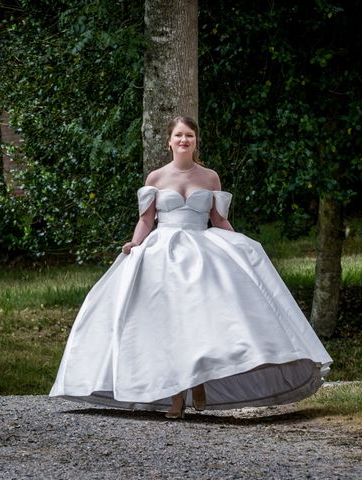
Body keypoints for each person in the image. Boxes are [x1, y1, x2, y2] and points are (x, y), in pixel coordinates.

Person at [50, 116, 332, 419]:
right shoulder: (155, 178)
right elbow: (147, 220)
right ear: (169, 141)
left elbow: (218, 220)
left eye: (189, 136)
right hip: (165, 254)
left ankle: (195, 381)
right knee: (171, 324)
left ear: (196, 141)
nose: (184, 140)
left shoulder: (210, 178)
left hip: (200, 254)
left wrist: (240, 245)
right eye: (179, 136)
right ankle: (177, 396)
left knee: (199, 322)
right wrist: (134, 244)